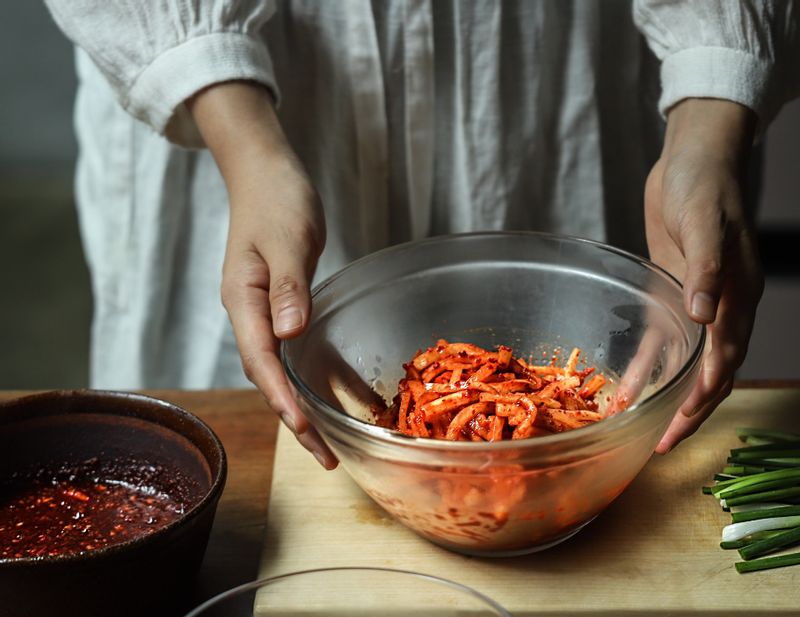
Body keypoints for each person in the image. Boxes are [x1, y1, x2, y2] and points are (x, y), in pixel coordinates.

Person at [44, 0, 798, 468]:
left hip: (564, 56)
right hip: (249, 104)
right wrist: (247, 147)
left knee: (629, 359)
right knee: (236, 435)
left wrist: (710, 115)